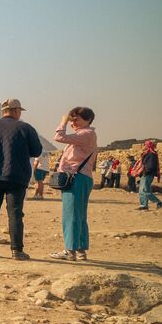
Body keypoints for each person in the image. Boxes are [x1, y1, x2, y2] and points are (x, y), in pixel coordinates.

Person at [0, 99, 43, 259]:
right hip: (16, 176)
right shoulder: (25, 128)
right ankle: (16, 250)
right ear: (15, 110)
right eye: (19, 111)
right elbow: (36, 151)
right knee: (15, 213)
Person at [50, 107, 98, 261]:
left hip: (76, 179)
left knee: (70, 215)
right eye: (72, 119)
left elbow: (58, 136)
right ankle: (81, 250)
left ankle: (69, 250)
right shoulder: (84, 135)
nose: (73, 123)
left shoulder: (86, 134)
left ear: (88, 120)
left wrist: (63, 121)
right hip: (82, 178)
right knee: (80, 215)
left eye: (76, 119)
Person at [137, 140, 162, 211]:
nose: (143, 146)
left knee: (145, 190)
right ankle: (143, 205)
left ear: (148, 146)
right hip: (144, 174)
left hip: (148, 174)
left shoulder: (152, 154)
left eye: (145, 145)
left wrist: (145, 171)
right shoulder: (146, 154)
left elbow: (151, 166)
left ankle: (159, 202)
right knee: (142, 191)